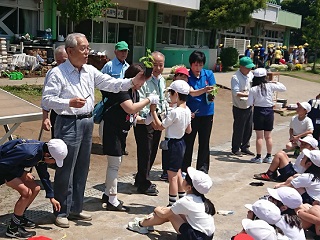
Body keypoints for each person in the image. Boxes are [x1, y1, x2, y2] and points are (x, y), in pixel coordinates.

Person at [42, 33, 146, 228]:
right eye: (83, 48)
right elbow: (47, 100)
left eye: (88, 47)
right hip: (67, 122)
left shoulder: (89, 70)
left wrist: (132, 82)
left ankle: (76, 208)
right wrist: (68, 102)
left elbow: (111, 83)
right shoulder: (57, 73)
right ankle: (61, 210)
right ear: (70, 51)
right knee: (65, 168)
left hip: (87, 122)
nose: (87, 52)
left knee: (82, 166)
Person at [100, 64, 158, 211]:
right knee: (114, 163)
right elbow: (130, 108)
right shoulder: (122, 89)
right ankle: (112, 200)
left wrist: (147, 120)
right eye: (140, 79)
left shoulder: (134, 92)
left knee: (116, 163)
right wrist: (149, 100)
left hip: (121, 130)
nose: (142, 83)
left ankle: (108, 194)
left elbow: (133, 116)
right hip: (110, 129)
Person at [0, 138, 67, 238]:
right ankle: (13, 229)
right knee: (26, 193)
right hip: (4, 167)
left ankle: (19, 217)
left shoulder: (42, 153)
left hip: (10, 167)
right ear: (48, 155)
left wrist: (51, 196)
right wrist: (23, 173)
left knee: (35, 188)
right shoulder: (28, 152)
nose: (54, 163)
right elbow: (3, 163)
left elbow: (44, 175)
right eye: (54, 160)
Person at [127, 167, 215, 240]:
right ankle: (148, 223)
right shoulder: (202, 200)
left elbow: (164, 214)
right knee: (173, 211)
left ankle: (140, 224)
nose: (183, 179)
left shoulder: (186, 201)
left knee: (169, 214)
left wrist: (156, 209)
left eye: (186, 178)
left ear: (189, 187)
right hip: (206, 237)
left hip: (195, 237)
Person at [150, 80, 192, 206]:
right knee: (178, 172)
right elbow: (189, 130)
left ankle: (172, 204)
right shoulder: (187, 110)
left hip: (172, 144)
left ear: (177, 95)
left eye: (171, 93)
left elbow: (160, 126)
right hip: (181, 143)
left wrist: (153, 112)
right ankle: (182, 200)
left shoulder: (175, 112)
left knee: (172, 176)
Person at [133, 51, 167, 195]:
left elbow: (162, 98)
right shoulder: (145, 79)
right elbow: (141, 101)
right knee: (145, 152)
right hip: (145, 120)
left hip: (158, 118)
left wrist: (163, 114)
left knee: (152, 151)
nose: (158, 68)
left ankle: (141, 178)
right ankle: (143, 183)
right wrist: (150, 118)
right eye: (155, 65)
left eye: (161, 65)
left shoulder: (162, 80)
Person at [181, 50, 215, 174]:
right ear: (191, 64)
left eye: (200, 65)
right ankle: (185, 168)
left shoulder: (208, 74)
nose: (198, 67)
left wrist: (212, 94)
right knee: (188, 141)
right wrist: (203, 90)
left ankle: (202, 168)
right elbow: (188, 93)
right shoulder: (187, 77)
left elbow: (213, 90)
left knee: (204, 142)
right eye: (195, 65)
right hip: (192, 114)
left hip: (207, 113)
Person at [247, 68, 286, 163]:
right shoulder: (270, 86)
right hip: (269, 111)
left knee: (259, 136)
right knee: (268, 136)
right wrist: (273, 82)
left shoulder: (253, 89)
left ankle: (258, 157)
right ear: (265, 77)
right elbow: (283, 88)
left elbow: (249, 103)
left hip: (258, 111)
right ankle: (268, 156)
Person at [100, 41, 130, 155]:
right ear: (115, 52)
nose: (124, 53)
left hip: (125, 100)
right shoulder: (109, 66)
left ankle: (122, 146)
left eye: (125, 51)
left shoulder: (128, 66)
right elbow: (101, 82)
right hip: (111, 100)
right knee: (110, 123)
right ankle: (108, 146)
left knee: (124, 123)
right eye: (121, 51)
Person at [254, 136, 319, 182]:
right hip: (294, 169)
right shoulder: (306, 151)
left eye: (305, 144)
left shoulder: (310, 155)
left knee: (279, 155)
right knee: (282, 153)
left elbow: (303, 165)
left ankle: (269, 174)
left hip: (294, 174)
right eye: (302, 143)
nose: (302, 145)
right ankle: (272, 173)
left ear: (312, 147)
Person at [42, 45, 68, 139]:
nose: (61, 64)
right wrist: (45, 117)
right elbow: (46, 97)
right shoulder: (52, 73)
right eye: (58, 61)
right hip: (57, 114)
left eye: (64, 61)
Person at [230, 56, 255, 156]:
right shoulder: (235, 77)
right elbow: (236, 92)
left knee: (249, 127)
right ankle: (235, 148)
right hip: (239, 106)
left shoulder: (250, 75)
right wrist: (250, 94)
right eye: (247, 67)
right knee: (239, 128)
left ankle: (245, 146)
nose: (249, 69)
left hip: (248, 105)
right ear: (241, 66)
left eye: (250, 67)